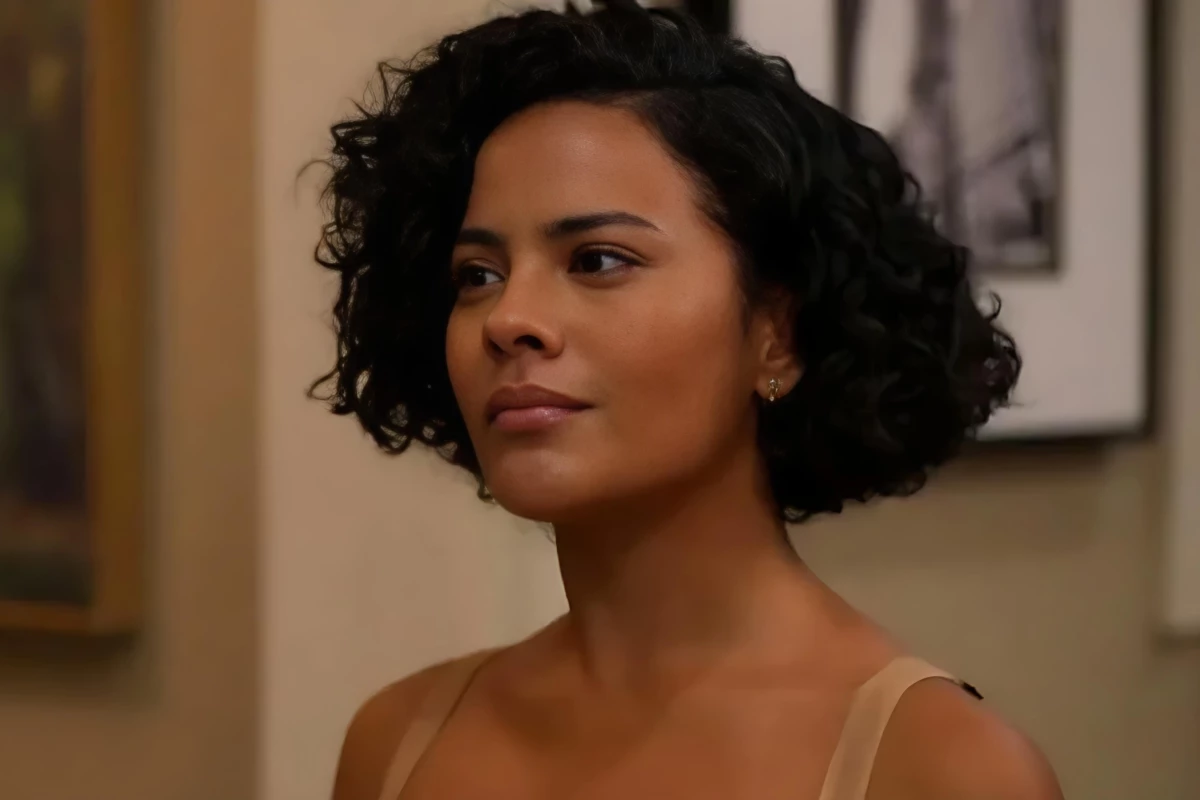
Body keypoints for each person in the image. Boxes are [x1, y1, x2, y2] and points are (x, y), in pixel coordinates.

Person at [314, 3, 1059, 799]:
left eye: (597, 260)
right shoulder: (396, 744)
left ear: (778, 333)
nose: (508, 319)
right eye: (478, 276)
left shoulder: (945, 771)